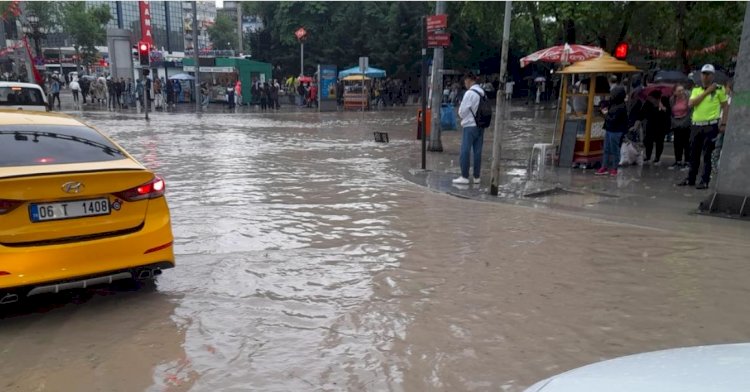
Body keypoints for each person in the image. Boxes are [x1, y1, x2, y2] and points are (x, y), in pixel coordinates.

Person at [677, 64, 729, 189]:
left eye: (708, 74)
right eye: (703, 74)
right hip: (696, 125)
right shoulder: (697, 89)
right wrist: (708, 91)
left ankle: (705, 180)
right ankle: (691, 178)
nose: (705, 77)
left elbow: (725, 106)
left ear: (712, 76)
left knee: (708, 154)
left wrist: (724, 123)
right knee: (693, 153)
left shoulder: (720, 89)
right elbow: (691, 103)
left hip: (710, 125)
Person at [453, 73, 486, 185]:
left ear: (468, 80)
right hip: (481, 126)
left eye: (465, 81)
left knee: (465, 151)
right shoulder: (482, 92)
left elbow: (462, 112)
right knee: (477, 152)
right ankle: (476, 177)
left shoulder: (469, 93)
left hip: (469, 126)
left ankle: (464, 176)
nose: (465, 84)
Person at [595, 86, 628, 176]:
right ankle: (604, 166)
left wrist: (605, 114)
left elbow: (613, 119)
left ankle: (614, 168)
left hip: (616, 130)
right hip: (609, 129)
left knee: (614, 150)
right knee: (606, 149)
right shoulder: (614, 103)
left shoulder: (621, 107)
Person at [638, 90, 671, 165]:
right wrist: (638, 120)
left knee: (659, 142)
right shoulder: (648, 103)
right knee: (648, 141)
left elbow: (669, 113)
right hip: (651, 125)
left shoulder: (664, 101)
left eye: (651, 98)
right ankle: (648, 156)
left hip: (661, 125)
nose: (649, 99)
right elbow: (642, 113)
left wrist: (663, 108)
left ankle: (657, 157)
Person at [669, 84, 691, 169]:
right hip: (676, 123)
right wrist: (675, 122)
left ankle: (687, 161)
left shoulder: (688, 97)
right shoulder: (672, 100)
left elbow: (690, 111)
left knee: (687, 143)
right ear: (674, 92)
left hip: (686, 122)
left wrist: (684, 122)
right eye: (679, 91)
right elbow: (671, 111)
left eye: (682, 90)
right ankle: (678, 161)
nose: (681, 92)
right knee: (677, 143)